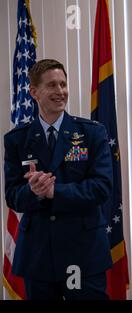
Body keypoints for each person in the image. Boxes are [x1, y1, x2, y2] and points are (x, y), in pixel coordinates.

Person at [4, 59, 113, 299]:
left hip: (82, 253)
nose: (60, 91)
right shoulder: (17, 140)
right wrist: (32, 192)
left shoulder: (92, 133)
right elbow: (13, 196)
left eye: (63, 84)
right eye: (52, 85)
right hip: (39, 255)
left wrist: (55, 192)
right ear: (34, 92)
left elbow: (102, 187)